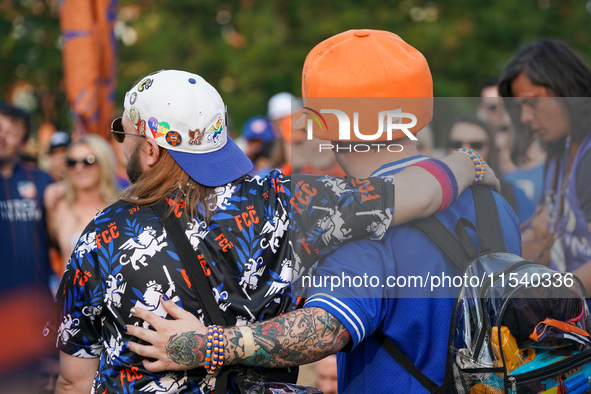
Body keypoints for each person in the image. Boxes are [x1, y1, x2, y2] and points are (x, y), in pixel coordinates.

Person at [45, 68, 499, 394]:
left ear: (148, 150)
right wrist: (466, 162)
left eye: (121, 133)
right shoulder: (284, 198)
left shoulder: (101, 237)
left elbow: (75, 378)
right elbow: (414, 194)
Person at [498, 39, 591, 291]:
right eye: (520, 108)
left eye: (532, 102)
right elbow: (541, 235)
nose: (526, 117)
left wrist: (548, 296)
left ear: (565, 90)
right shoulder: (559, 152)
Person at [0, 102, 55, 390]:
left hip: (34, 316)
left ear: (23, 140)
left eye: (11, 131)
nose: (2, 137)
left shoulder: (43, 182)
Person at [46, 134, 120, 274]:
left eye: (88, 161)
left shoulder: (121, 206)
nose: (79, 168)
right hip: (73, 294)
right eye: (72, 162)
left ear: (104, 163)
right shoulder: (58, 207)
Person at [447, 116, 535, 223]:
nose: (466, 151)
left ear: (491, 149)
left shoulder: (514, 194)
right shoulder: (436, 194)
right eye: (456, 144)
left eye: (476, 145)